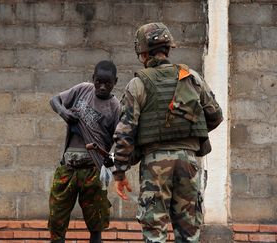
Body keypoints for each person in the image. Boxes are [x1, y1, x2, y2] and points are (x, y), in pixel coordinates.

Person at [112, 23, 223, 243]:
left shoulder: (137, 84)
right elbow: (215, 115)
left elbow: (125, 132)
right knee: (189, 231)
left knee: (155, 230)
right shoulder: (190, 77)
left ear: (142, 53)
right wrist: (187, 131)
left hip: (155, 164)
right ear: (168, 49)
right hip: (188, 162)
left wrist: (120, 172)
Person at [47, 60, 121, 243]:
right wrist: (64, 113)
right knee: (57, 220)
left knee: (96, 224)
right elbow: (54, 100)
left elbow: (120, 139)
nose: (102, 87)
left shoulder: (116, 107)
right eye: (99, 82)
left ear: (115, 82)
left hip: (93, 170)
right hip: (68, 167)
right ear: (93, 78)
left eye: (107, 83)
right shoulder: (82, 90)